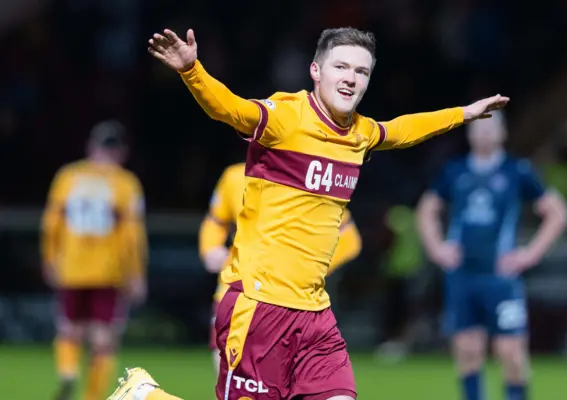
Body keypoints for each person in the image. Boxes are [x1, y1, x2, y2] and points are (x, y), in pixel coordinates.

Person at [108, 26, 509, 400]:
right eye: (341, 67)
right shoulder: (285, 118)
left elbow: (402, 129)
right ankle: (146, 395)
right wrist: (191, 70)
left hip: (315, 313)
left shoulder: (360, 134)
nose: (351, 78)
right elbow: (228, 109)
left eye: (362, 71)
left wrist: (464, 114)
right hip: (259, 305)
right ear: (316, 70)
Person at [416, 112, 567, 400]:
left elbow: (558, 213)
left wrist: (530, 254)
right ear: (470, 133)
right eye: (479, 127)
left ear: (502, 133)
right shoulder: (455, 171)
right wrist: (437, 249)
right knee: (468, 350)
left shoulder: (517, 171)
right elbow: (426, 210)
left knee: (511, 352)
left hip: (501, 277)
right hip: (462, 275)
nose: (484, 133)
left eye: (491, 128)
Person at [199, 161, 362, 381]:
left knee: (277, 384)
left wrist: (307, 269)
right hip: (234, 291)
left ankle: (145, 393)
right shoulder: (235, 176)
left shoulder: (307, 178)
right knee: (228, 381)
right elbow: (216, 220)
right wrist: (210, 249)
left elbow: (350, 239)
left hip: (286, 299)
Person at [41, 120, 147, 400]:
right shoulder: (125, 183)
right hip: (107, 270)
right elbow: (132, 235)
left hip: (71, 266)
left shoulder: (68, 176)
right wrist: (136, 273)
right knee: (104, 339)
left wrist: (50, 258)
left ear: (92, 146)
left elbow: (51, 223)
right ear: (122, 151)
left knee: (68, 329)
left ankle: (67, 370)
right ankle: (92, 396)